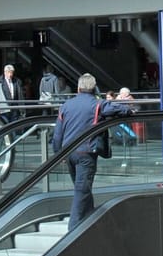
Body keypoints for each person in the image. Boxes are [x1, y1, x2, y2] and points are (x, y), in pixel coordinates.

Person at [51, 74, 131, 228]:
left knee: (81, 187)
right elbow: (118, 108)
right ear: (94, 88)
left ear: (79, 88)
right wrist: (128, 110)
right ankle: (73, 229)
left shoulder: (66, 105)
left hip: (68, 153)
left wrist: (57, 152)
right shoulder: (97, 104)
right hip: (86, 152)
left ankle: (90, 219)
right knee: (82, 189)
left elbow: (57, 134)